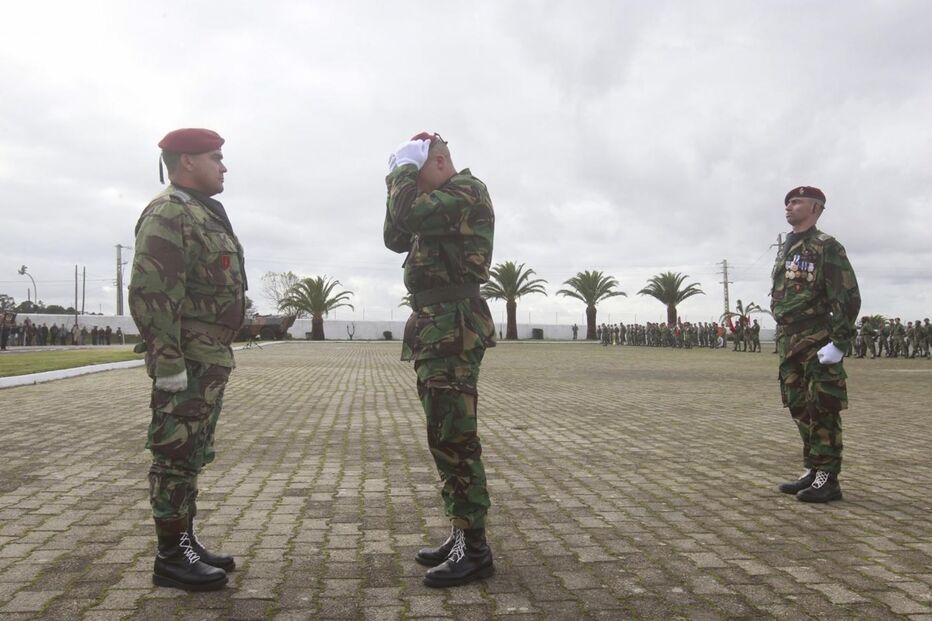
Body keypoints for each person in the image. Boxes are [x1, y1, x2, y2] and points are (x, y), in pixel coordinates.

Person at [129, 128, 246, 591]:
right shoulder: (170, 212)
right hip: (187, 360)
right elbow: (152, 293)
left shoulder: (201, 212)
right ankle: (171, 557)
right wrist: (169, 363)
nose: (223, 166)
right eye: (216, 157)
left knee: (192, 454)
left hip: (208, 357)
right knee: (174, 456)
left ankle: (186, 541)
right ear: (187, 161)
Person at [383, 132, 496, 588]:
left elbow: (407, 214)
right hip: (436, 326)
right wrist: (401, 176)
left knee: (455, 436)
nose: (411, 177)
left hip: (454, 325)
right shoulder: (430, 204)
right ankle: (461, 531)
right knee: (442, 434)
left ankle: (476, 549)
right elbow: (394, 235)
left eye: (418, 166)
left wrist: (402, 172)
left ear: (441, 163)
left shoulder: (467, 191)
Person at [771, 186, 860, 503]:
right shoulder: (788, 247)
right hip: (790, 339)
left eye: (796, 202)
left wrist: (839, 342)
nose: (788, 206)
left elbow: (847, 295)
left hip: (816, 339)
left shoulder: (827, 246)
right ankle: (813, 469)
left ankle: (828, 478)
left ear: (815, 207)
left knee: (822, 406)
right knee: (798, 405)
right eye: (787, 202)